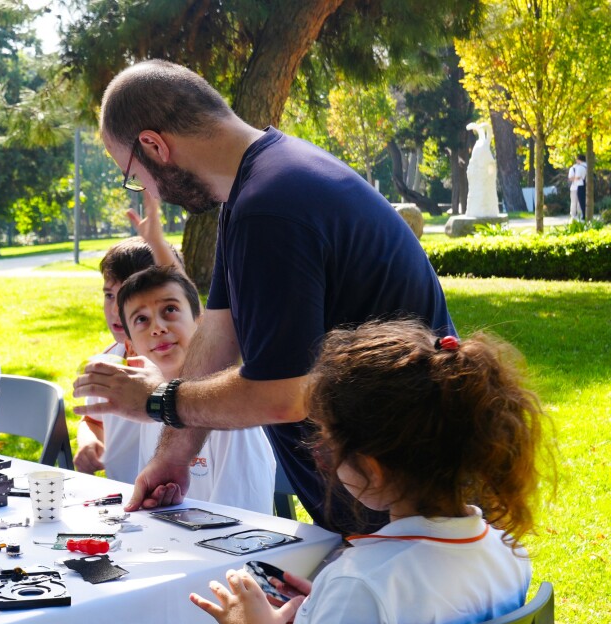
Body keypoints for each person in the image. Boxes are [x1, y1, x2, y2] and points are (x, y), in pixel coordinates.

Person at [74, 60, 454, 534]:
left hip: (410, 510)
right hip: (394, 502)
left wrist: (155, 400)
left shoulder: (269, 208)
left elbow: (283, 395)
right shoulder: (257, 187)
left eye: (134, 175)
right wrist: (174, 454)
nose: (145, 188)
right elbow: (218, 331)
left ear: (155, 146)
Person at [190, 319, 545, 624]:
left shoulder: (357, 584)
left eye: (328, 443)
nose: (323, 456)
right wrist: (322, 608)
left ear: (372, 469)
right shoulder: (508, 553)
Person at [116, 265, 275, 512]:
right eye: (142, 319)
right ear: (131, 347)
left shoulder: (227, 415)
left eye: (170, 310)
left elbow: (247, 517)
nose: (157, 327)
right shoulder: (151, 407)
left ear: (202, 326)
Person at [75, 196, 184, 482]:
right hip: (122, 504)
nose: (116, 309)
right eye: (109, 295)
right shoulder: (107, 360)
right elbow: (93, 420)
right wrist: (89, 442)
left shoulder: (182, 362)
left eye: (128, 297)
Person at [568, 154, 588, 220]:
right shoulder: (586, 167)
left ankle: (576, 216)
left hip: (577, 186)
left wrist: (575, 178)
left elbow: (576, 177)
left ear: (578, 160)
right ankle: (578, 215)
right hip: (580, 186)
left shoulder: (578, 167)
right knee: (578, 202)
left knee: (576, 202)